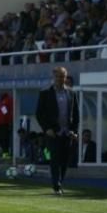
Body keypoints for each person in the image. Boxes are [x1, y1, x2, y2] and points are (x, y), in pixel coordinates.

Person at [35, 66, 80, 195]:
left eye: (62, 76)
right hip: (53, 133)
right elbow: (39, 114)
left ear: (65, 78)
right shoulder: (45, 93)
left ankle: (60, 181)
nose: (60, 79)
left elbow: (76, 114)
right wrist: (46, 129)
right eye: (58, 76)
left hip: (67, 132)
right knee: (55, 158)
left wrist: (74, 131)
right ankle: (56, 185)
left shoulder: (71, 93)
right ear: (53, 77)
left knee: (65, 160)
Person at [0, 91, 13, 158]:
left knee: (4, 139)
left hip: (4, 123)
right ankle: (2, 153)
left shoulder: (8, 100)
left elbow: (7, 112)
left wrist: (9, 121)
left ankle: (5, 155)